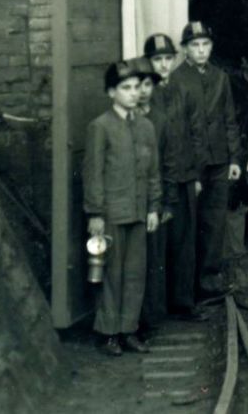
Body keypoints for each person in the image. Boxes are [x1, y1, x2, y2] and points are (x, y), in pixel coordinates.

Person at [83, 60, 162, 356]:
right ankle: (108, 334)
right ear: (110, 92)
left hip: (139, 212)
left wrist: (153, 207)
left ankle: (129, 331)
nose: (133, 94)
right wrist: (95, 214)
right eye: (125, 88)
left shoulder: (146, 127)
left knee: (134, 274)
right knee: (111, 274)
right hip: (111, 214)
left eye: (135, 88)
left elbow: (153, 172)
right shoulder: (100, 127)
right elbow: (93, 175)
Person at [171, 21, 243, 299]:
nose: (201, 51)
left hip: (219, 162)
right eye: (195, 46)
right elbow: (177, 129)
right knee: (189, 225)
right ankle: (189, 286)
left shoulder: (220, 77)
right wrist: (190, 170)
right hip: (192, 166)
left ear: (211, 47)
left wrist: (234, 158)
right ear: (185, 49)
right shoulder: (177, 80)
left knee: (215, 222)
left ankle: (210, 281)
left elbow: (229, 120)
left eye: (205, 45)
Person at [142, 33, 206, 321]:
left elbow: (196, 133)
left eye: (168, 58)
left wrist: (195, 175)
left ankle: (183, 302)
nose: (164, 65)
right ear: (148, 62)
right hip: (157, 182)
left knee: (184, 243)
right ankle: (156, 309)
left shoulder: (183, 90)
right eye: (158, 59)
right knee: (157, 246)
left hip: (183, 179)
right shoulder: (143, 94)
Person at [132, 57, 168, 336]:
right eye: (137, 85)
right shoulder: (125, 118)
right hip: (129, 200)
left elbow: (165, 162)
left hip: (153, 201)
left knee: (153, 258)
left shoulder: (159, 119)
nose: (143, 90)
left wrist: (164, 202)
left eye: (147, 84)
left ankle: (151, 319)